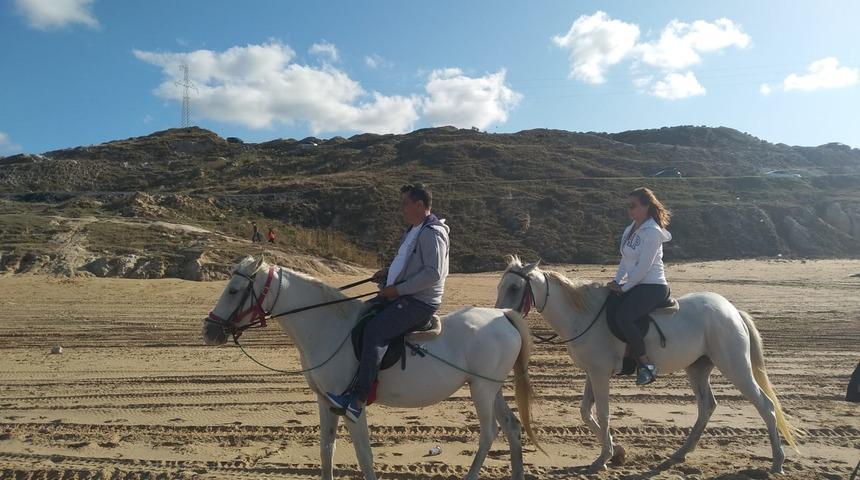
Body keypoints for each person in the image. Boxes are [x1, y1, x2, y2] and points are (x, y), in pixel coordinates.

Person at [325, 184, 450, 422]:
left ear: (420, 205)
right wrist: (387, 272)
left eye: (405, 203)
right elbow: (407, 263)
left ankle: (358, 400)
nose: (401, 208)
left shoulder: (431, 233)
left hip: (419, 302)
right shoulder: (413, 229)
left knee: (374, 331)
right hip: (402, 295)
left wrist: (397, 289)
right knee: (360, 315)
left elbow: (433, 274)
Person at [607, 187, 672, 386]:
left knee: (624, 316)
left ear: (646, 206)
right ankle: (625, 359)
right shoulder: (632, 228)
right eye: (628, 205)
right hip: (636, 283)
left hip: (653, 286)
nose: (629, 210)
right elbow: (625, 261)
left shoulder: (652, 232)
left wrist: (624, 289)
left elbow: (644, 267)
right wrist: (617, 281)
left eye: (633, 205)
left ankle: (645, 364)